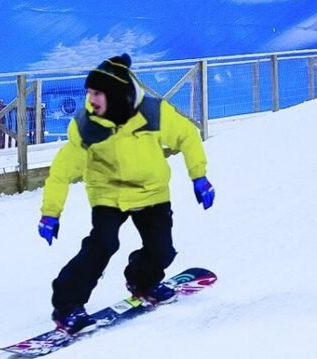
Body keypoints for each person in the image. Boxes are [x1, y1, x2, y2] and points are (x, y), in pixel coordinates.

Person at [37, 53, 215, 333]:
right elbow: (61, 172)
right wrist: (50, 213)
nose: (91, 99)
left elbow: (187, 136)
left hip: (151, 191)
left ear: (117, 95)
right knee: (103, 244)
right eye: (89, 92)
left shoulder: (154, 113)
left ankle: (142, 281)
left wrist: (199, 176)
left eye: (98, 93)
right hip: (109, 195)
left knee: (162, 251)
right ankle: (68, 306)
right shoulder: (87, 126)